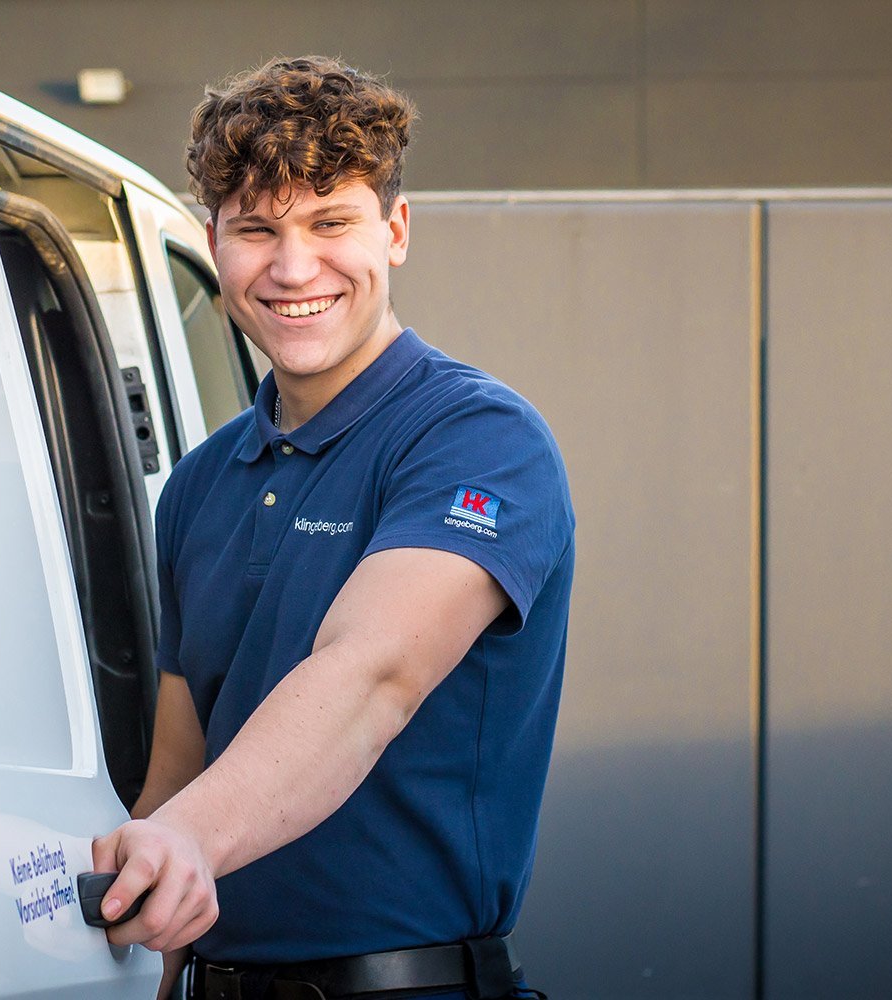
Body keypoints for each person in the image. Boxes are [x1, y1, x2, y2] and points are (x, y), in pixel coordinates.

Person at [89, 56, 575, 1000]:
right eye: (258, 229)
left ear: (394, 231)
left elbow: (371, 677)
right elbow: (175, 783)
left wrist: (188, 837)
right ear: (214, 243)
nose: (293, 266)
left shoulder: (477, 439)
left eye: (330, 221)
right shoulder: (197, 486)